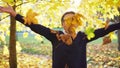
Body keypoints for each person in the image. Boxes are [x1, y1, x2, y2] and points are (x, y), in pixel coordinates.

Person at [0, 5, 120, 68]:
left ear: (78, 22)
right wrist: (14, 14)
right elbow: (35, 26)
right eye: (68, 20)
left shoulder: (84, 37)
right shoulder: (56, 35)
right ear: (62, 23)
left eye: (74, 19)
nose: (71, 22)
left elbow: (104, 30)